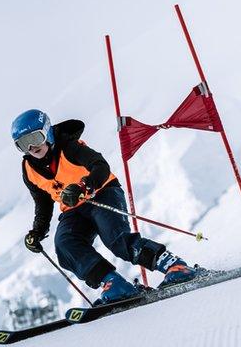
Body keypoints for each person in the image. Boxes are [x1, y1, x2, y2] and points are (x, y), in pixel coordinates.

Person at [11, 109, 197, 304]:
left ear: (47, 132)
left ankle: (174, 266)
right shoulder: (29, 170)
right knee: (65, 244)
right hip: (73, 210)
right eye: (23, 144)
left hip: (102, 193)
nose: (32, 146)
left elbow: (100, 166)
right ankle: (113, 283)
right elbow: (43, 204)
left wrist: (85, 185)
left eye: (36, 138)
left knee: (116, 239)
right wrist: (37, 232)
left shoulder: (69, 147)